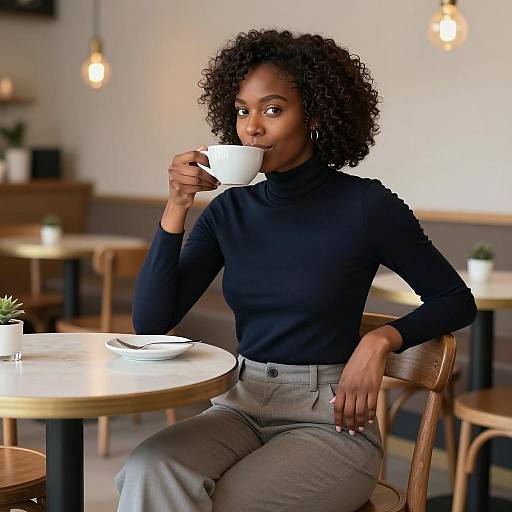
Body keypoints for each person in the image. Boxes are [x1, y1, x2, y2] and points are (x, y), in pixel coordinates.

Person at [116, 29, 477, 512]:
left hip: (332, 419)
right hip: (241, 402)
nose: (252, 129)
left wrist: (378, 342)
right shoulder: (228, 213)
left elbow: (455, 300)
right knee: (148, 470)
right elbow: (151, 322)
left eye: (272, 109)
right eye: (243, 111)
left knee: (227, 503)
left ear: (315, 114)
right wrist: (178, 204)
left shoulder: (367, 206)